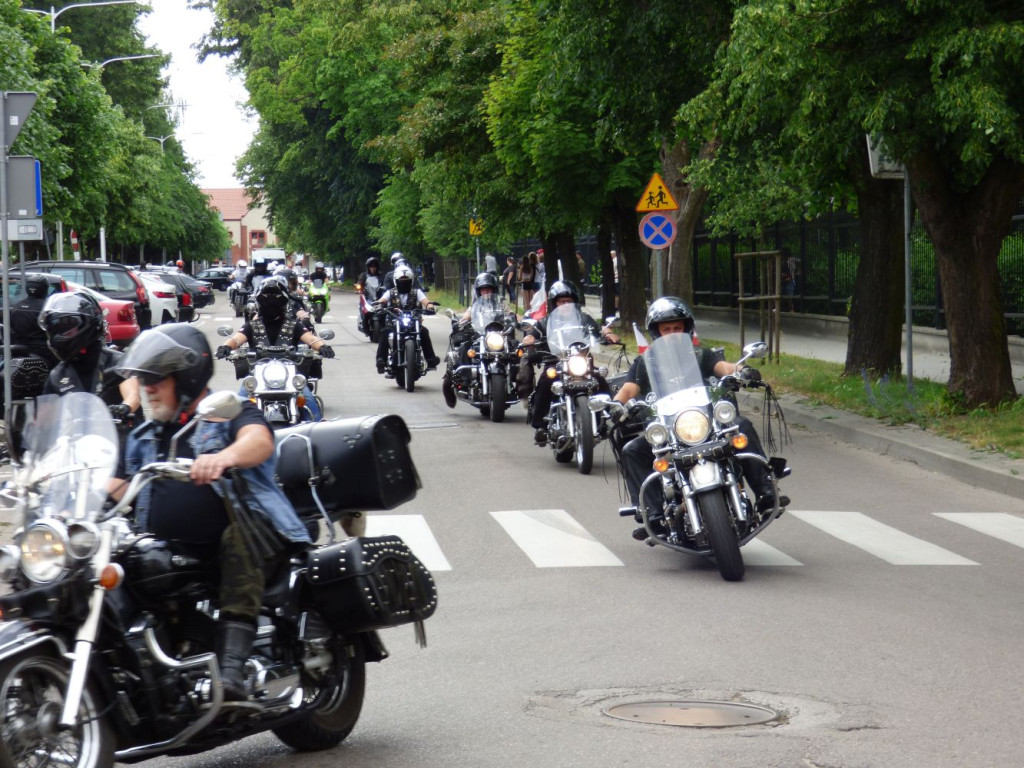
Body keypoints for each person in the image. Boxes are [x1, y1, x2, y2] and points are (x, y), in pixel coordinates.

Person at [112, 323, 313, 700]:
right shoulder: (144, 435)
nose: (147, 387)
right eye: (144, 379)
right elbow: (118, 486)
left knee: (237, 541)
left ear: (186, 377)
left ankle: (232, 671)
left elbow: (259, 441)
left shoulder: (228, 411)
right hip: (175, 552)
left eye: (156, 378)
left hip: (254, 538)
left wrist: (224, 457)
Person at [613, 297, 789, 537]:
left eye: (677, 328)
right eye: (666, 329)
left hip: (705, 423)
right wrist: (615, 405)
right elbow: (629, 389)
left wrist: (741, 370)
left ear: (686, 328)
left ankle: (766, 493)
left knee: (742, 425)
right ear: (657, 332)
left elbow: (723, 367)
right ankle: (652, 513)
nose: (672, 334)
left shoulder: (699, 354)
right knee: (632, 450)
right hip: (668, 431)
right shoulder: (644, 362)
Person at [216, 277, 333, 420]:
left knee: (308, 400)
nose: (271, 304)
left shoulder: (294, 325)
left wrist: (323, 346)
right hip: (257, 375)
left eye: (276, 300)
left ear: (284, 302)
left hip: (290, 375)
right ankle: (234, 428)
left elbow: (310, 338)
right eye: (266, 300)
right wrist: (226, 347)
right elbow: (236, 339)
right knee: (240, 403)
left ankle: (317, 425)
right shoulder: (252, 325)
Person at [520, 281, 619, 443]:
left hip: (582, 362)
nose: (566, 305)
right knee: (546, 381)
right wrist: (530, 338)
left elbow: (599, 329)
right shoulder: (546, 321)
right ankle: (540, 425)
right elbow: (534, 333)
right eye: (562, 301)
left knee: (599, 379)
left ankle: (605, 417)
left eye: (569, 301)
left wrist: (607, 333)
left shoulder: (584, 319)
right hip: (556, 362)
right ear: (555, 303)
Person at [38, 290, 142, 430]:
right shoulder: (58, 375)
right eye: (54, 329)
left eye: (67, 327)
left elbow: (133, 394)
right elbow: (44, 419)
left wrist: (124, 408)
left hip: (119, 436)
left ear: (89, 323)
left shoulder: (116, 361)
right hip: (80, 440)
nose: (58, 336)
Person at [442, 272, 502, 408]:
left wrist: (516, 319)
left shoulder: (501, 304)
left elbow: (510, 315)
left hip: (497, 338)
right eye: (483, 289)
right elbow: (466, 316)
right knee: (465, 347)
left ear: (494, 290)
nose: (486, 292)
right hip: (479, 336)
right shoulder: (474, 306)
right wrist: (460, 322)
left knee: (517, 351)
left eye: (489, 289)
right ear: (479, 291)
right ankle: (465, 379)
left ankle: (520, 382)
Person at [374, 263, 440, 374]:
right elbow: (382, 300)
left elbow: (426, 301)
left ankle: (431, 360)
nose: (404, 282)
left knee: (424, 332)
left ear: (411, 280)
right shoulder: (390, 292)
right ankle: (381, 360)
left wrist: (430, 306)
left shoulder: (416, 292)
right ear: (396, 281)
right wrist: (378, 304)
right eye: (401, 280)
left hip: (412, 322)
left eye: (406, 280)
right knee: (385, 333)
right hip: (394, 321)